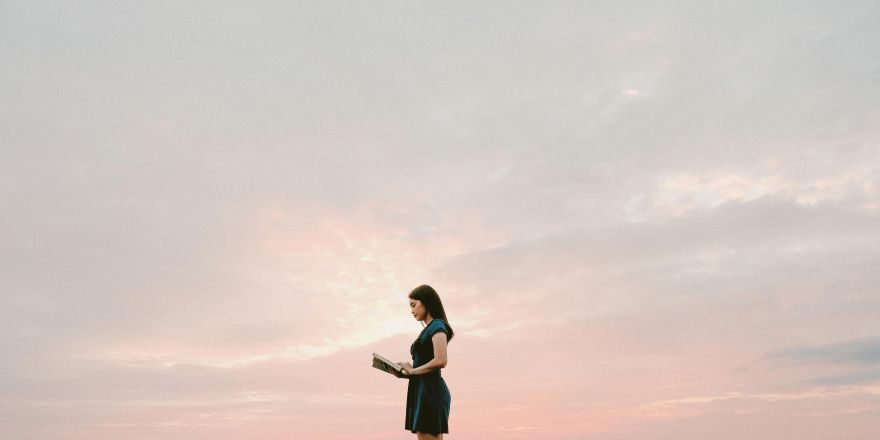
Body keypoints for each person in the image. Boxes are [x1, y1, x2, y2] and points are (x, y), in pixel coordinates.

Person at [397, 284, 454, 439]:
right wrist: (407, 371)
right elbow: (423, 365)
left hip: (431, 392)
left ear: (426, 302)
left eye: (413, 305)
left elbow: (441, 360)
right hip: (423, 391)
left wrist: (413, 371)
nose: (411, 310)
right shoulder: (428, 329)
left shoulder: (437, 325)